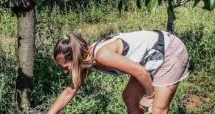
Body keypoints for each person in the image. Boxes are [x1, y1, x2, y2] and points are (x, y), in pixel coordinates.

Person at [47, 30, 190, 114]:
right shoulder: (86, 63)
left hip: (168, 50)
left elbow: (141, 73)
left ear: (76, 57)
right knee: (130, 97)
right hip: (149, 60)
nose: (66, 72)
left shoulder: (102, 55)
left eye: (66, 67)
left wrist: (150, 96)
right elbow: (68, 92)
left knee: (158, 109)